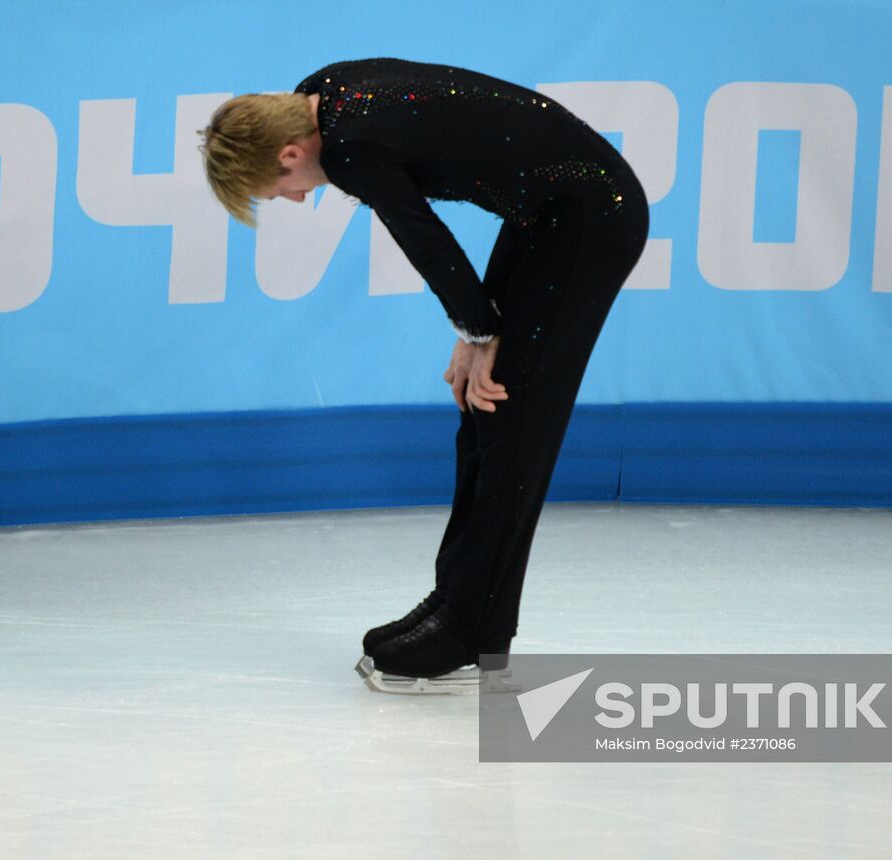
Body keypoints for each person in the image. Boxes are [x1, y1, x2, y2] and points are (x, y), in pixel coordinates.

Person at [199, 57, 648, 693]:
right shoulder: (320, 91)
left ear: (292, 153)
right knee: (482, 407)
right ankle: (461, 607)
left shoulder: (351, 148)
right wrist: (476, 333)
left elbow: (425, 240)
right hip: (550, 212)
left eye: (280, 190)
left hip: (589, 219)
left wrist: (480, 331)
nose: (296, 200)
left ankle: (472, 631)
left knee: (513, 420)